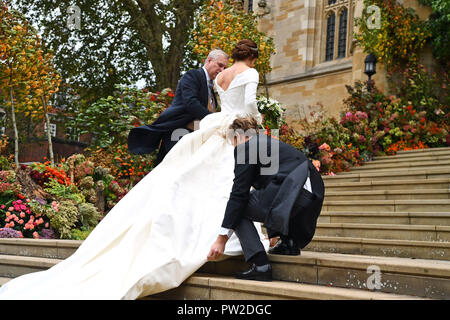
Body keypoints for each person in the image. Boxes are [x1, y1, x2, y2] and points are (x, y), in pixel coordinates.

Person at [0, 40, 268, 299]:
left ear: (232, 57)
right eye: (218, 65)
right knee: (226, 180)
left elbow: (221, 106)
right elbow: (250, 107)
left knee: (194, 178)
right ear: (252, 57)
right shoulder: (237, 73)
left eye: (224, 64)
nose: (221, 69)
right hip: (229, 129)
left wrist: (215, 120)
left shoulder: (220, 80)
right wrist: (261, 122)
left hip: (214, 129)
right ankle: (227, 236)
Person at [207, 116, 325, 281]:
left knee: (241, 206)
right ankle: (288, 244)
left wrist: (221, 239)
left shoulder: (245, 148)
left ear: (238, 136)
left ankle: (260, 264)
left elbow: (239, 195)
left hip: (292, 192)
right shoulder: (271, 144)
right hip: (313, 194)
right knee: (265, 194)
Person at [128, 49, 229, 165]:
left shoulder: (212, 87)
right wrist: (213, 119)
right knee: (172, 171)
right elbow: (191, 103)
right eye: (220, 65)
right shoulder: (193, 75)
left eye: (225, 68)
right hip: (178, 130)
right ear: (209, 60)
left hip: (193, 136)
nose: (222, 70)